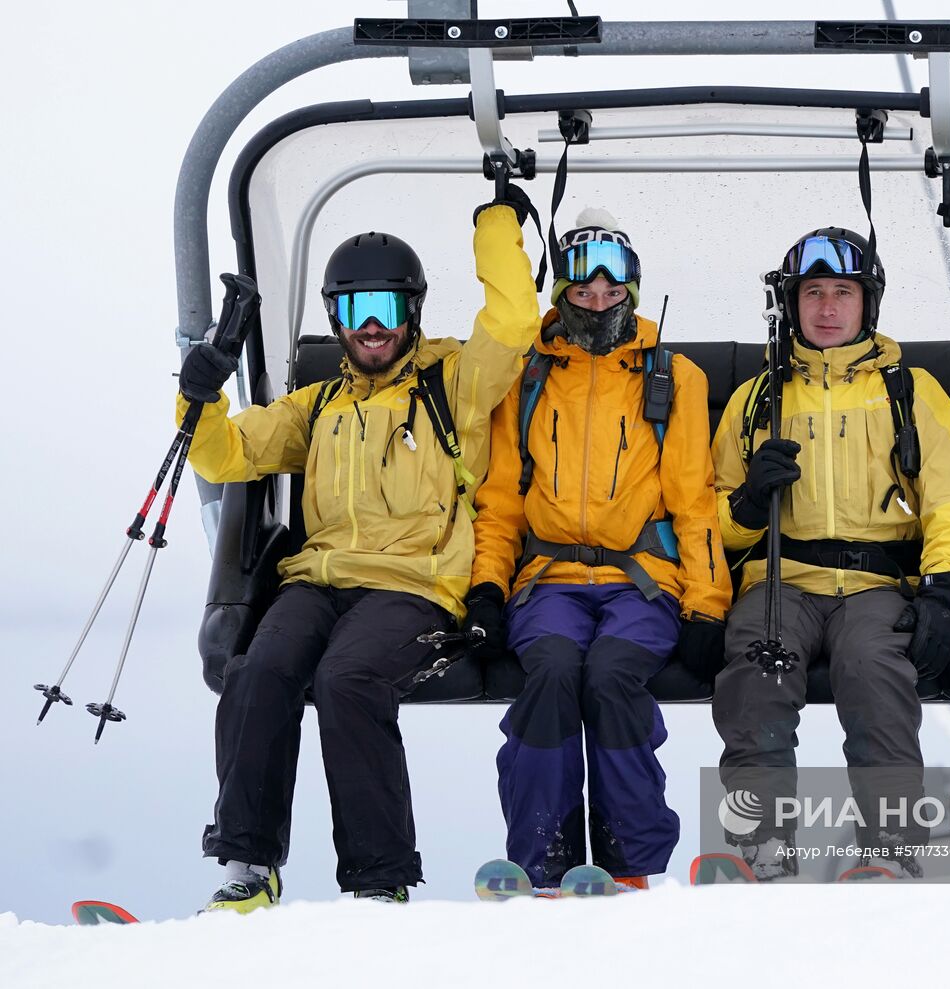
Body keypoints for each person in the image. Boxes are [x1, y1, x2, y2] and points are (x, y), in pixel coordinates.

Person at [177, 187, 541, 910]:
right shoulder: (318, 405)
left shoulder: (453, 384)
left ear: (412, 310)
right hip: (317, 582)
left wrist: (495, 221)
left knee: (347, 679)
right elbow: (221, 456)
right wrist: (202, 392)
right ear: (334, 318)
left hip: (414, 584)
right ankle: (246, 869)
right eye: (351, 309)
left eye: (385, 307)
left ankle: (379, 879)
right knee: (258, 671)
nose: (370, 326)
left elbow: (514, 320)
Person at [467, 209, 732, 891]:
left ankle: (632, 862)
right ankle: (543, 858)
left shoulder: (672, 376)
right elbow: (500, 499)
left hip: (640, 579)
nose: (597, 304)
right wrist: (488, 587)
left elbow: (694, 499)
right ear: (562, 294)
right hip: (548, 577)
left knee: (612, 676)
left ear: (632, 294)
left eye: (611, 293)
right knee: (552, 672)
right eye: (583, 293)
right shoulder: (527, 378)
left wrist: (706, 603)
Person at [709, 227, 950, 880]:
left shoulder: (907, 392)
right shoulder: (757, 401)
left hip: (874, 582)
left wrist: (945, 587)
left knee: (872, 669)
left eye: (842, 293)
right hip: (784, 580)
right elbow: (706, 518)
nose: (827, 308)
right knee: (757, 666)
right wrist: (748, 507)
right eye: (812, 293)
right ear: (793, 304)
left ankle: (889, 847)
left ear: (868, 304)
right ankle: (763, 844)